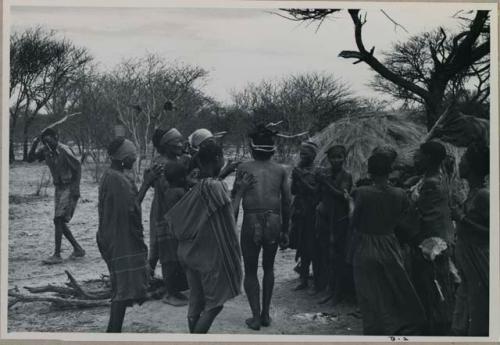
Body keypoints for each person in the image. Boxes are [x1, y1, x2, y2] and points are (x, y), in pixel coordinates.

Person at [164, 141, 250, 333]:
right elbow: (230, 218)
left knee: (195, 302)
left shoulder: (198, 187)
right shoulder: (216, 188)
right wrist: (240, 192)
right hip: (207, 256)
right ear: (218, 158)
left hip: (188, 252)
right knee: (214, 305)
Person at [351, 152, 426, 335]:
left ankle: (374, 330)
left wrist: (349, 203)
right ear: (390, 171)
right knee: (392, 288)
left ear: (369, 172)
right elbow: (407, 221)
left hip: (365, 244)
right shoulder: (399, 194)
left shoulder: (361, 192)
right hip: (390, 243)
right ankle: (394, 327)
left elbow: (353, 221)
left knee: (369, 293)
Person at [232, 124, 291, 330]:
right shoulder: (280, 170)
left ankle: (255, 317)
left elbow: (236, 198)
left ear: (252, 148)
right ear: (272, 149)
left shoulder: (244, 168)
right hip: (274, 221)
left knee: (250, 270)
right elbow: (287, 202)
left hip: (251, 221)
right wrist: (285, 229)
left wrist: (232, 226)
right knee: (268, 267)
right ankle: (266, 314)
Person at [97, 138, 150, 333]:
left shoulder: (111, 175)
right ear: (122, 158)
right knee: (122, 290)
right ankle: (113, 332)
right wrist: (146, 184)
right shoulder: (117, 180)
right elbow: (131, 208)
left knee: (121, 287)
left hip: (112, 236)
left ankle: (114, 331)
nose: (134, 160)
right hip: (120, 239)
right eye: (131, 157)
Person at [137, 128, 190, 306]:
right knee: (165, 251)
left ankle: (168, 286)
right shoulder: (159, 164)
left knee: (173, 250)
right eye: (177, 143)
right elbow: (160, 188)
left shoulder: (181, 160)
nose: (181, 145)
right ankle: (168, 291)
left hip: (178, 213)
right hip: (163, 213)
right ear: (166, 146)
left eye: (181, 142)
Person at [409, 141, 455, 335]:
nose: (415, 158)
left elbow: (425, 214)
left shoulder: (431, 183)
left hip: (432, 240)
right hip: (437, 237)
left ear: (428, 158)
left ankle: (436, 328)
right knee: (435, 284)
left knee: (432, 284)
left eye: (418, 155)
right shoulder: (434, 178)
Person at [27, 128, 85, 264]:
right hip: (58, 188)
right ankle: (78, 249)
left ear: (56, 138)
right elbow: (30, 159)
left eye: (49, 140)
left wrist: (76, 188)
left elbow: (77, 168)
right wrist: (35, 142)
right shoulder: (46, 151)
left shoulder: (64, 150)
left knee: (58, 220)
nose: (47, 144)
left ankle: (57, 255)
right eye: (44, 141)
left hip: (69, 186)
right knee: (59, 221)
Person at [450, 142, 489, 336]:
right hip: (468, 259)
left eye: (464, 160)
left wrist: (461, 219)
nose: (460, 163)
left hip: (479, 259)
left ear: (472, 167)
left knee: (478, 306)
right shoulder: (473, 193)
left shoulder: (483, 195)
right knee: (467, 303)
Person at [314, 145, 353, 304]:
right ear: (328, 159)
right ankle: (330, 290)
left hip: (339, 221)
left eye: (339, 157)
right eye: (333, 157)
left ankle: (338, 293)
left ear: (344, 158)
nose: (336, 160)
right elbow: (319, 194)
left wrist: (325, 182)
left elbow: (341, 196)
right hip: (325, 219)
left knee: (338, 256)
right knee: (327, 256)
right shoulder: (327, 174)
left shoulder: (346, 175)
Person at [289, 141, 319, 290]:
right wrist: (295, 179)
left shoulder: (319, 171)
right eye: (301, 154)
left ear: (313, 156)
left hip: (313, 214)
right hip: (300, 212)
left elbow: (315, 191)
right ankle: (303, 279)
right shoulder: (298, 170)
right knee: (301, 245)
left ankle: (317, 278)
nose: (302, 157)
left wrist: (300, 178)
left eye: (305, 154)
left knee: (312, 245)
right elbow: (294, 191)